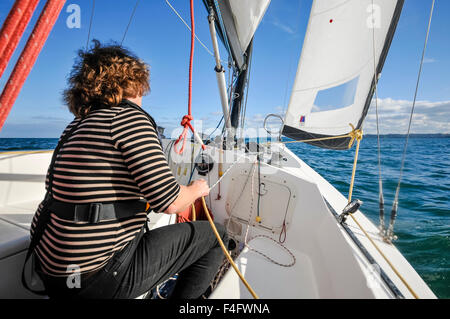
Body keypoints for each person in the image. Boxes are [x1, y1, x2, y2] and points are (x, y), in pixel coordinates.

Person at [28, 40, 229, 299]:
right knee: (217, 237)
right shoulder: (129, 118)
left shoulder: (76, 125)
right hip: (95, 278)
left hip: (50, 269)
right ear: (129, 82)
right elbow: (170, 202)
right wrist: (196, 189)